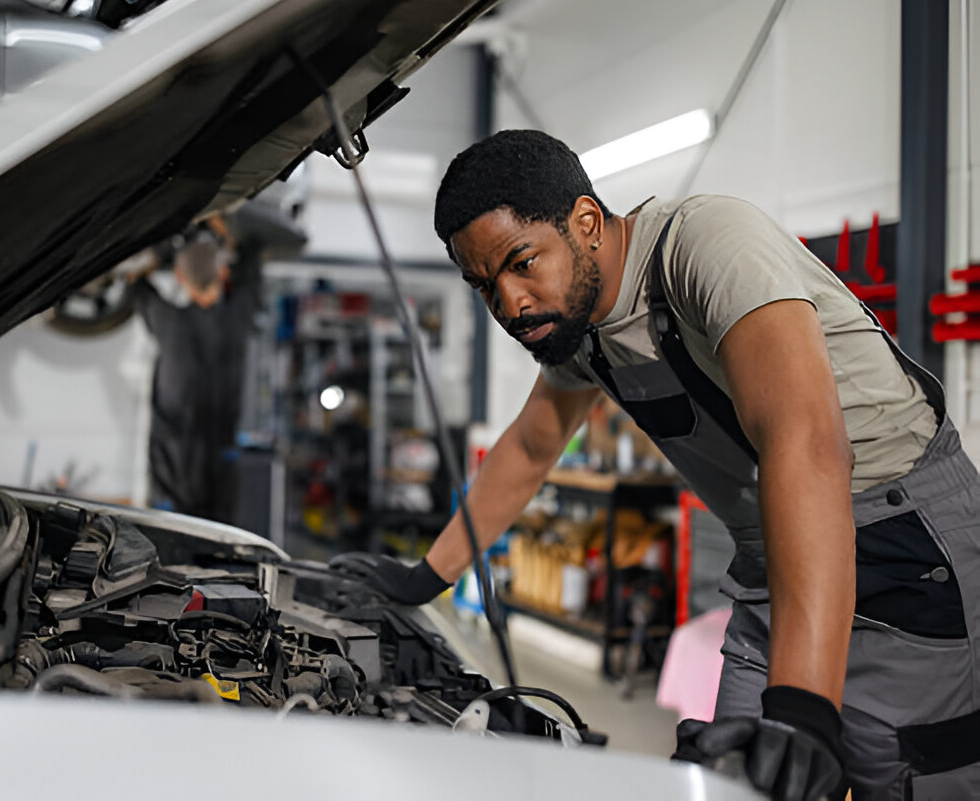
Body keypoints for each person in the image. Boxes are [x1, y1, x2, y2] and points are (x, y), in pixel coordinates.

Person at [331, 130, 980, 801]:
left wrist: (804, 711)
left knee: (895, 779)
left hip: (905, 547)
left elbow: (806, 440)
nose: (510, 304)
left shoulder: (705, 244)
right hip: (775, 554)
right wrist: (424, 577)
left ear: (585, 222)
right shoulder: (583, 333)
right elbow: (528, 449)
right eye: (484, 285)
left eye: (523, 262)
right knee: (738, 782)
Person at [135, 216, 260, 522]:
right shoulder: (238, 318)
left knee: (174, 549)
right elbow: (252, 258)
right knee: (218, 547)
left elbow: (136, 284)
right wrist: (218, 227)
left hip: (174, 472)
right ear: (222, 272)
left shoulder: (170, 323)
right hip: (220, 465)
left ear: (180, 277)